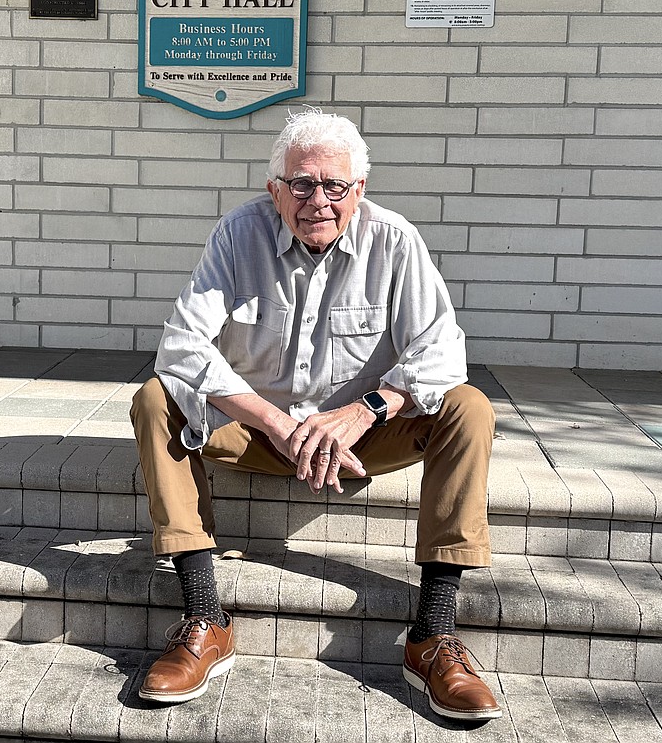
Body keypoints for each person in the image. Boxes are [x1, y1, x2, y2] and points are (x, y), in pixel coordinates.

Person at [130, 108, 500, 721]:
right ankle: (203, 617)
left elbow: (441, 350)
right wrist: (274, 422)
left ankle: (433, 633)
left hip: (361, 438)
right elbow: (182, 345)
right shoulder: (236, 235)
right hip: (256, 433)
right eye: (300, 184)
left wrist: (369, 408)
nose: (317, 200)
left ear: (360, 189)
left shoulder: (395, 240)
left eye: (335, 187)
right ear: (274, 188)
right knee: (156, 398)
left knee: (468, 407)